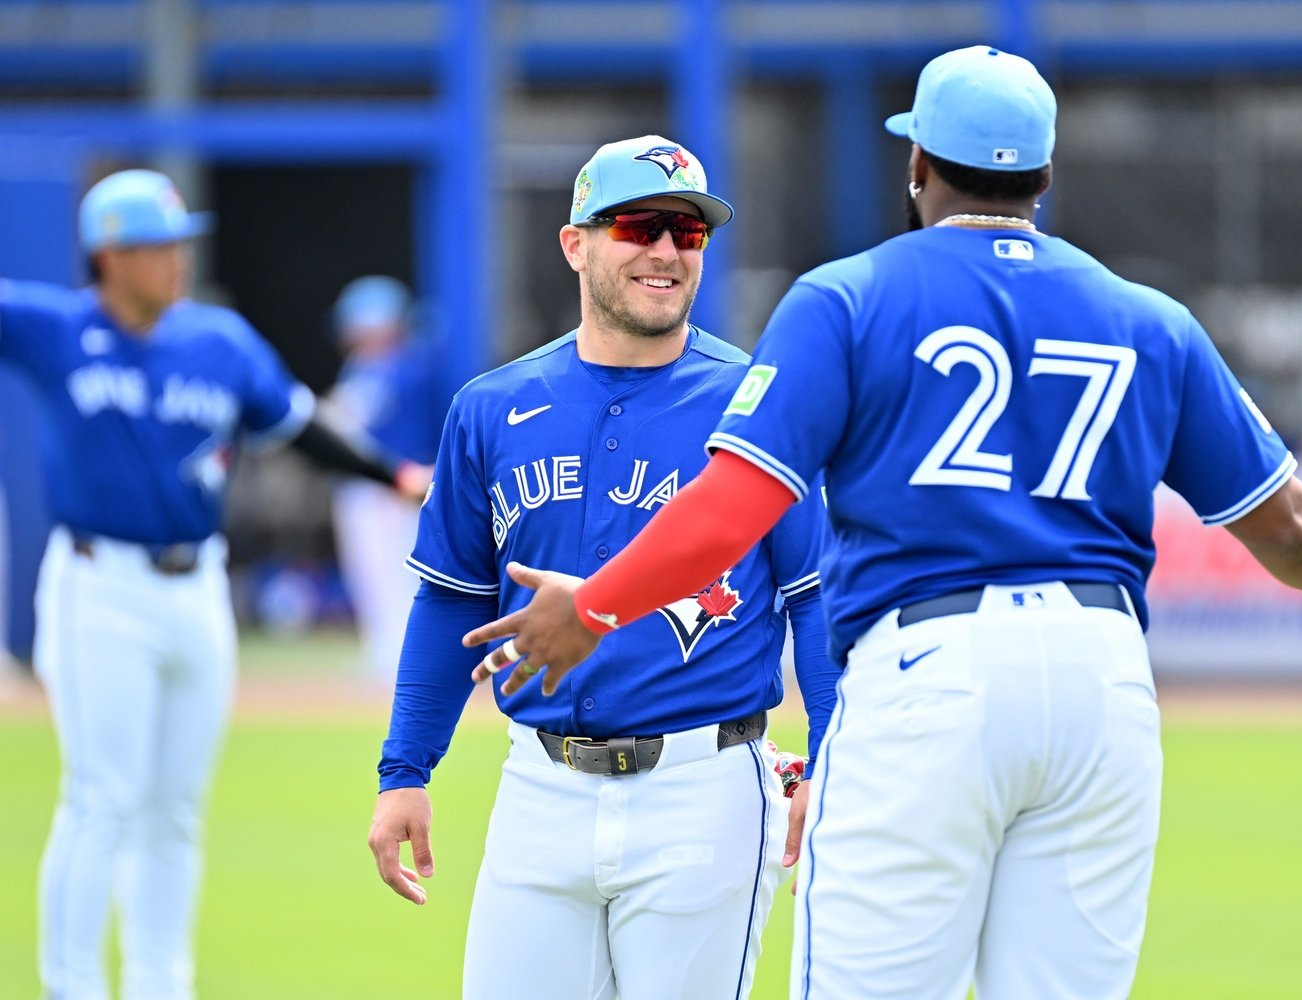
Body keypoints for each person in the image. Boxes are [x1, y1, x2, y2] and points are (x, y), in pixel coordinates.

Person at [463, 48, 1302, 1000]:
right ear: (1042, 175)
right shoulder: (1146, 316)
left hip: (931, 671)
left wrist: (596, 606)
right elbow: (1286, 530)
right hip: (1104, 682)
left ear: (916, 167)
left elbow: (730, 513)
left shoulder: (849, 296)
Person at [365, 135, 838, 999]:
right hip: (538, 786)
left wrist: (835, 763)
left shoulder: (758, 404)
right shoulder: (494, 408)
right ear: (576, 242)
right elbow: (449, 604)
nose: (664, 250)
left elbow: (816, 604)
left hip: (706, 788)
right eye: (638, 225)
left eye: (688, 234)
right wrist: (405, 772)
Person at [0, 168, 430, 1000]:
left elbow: (300, 425)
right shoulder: (56, 328)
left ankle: (164, 985)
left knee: (175, 810)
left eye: (178, 242)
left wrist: (390, 475)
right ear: (110, 257)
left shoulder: (219, 341)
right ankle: (72, 986)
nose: (177, 259)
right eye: (158, 245)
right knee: (101, 800)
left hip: (196, 589)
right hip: (100, 585)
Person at [326, 275, 446, 680]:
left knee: (397, 575)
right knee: (372, 575)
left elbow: (341, 419)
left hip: (394, 486)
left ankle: (398, 660)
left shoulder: (405, 367)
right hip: (367, 487)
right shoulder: (362, 366)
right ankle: (384, 654)